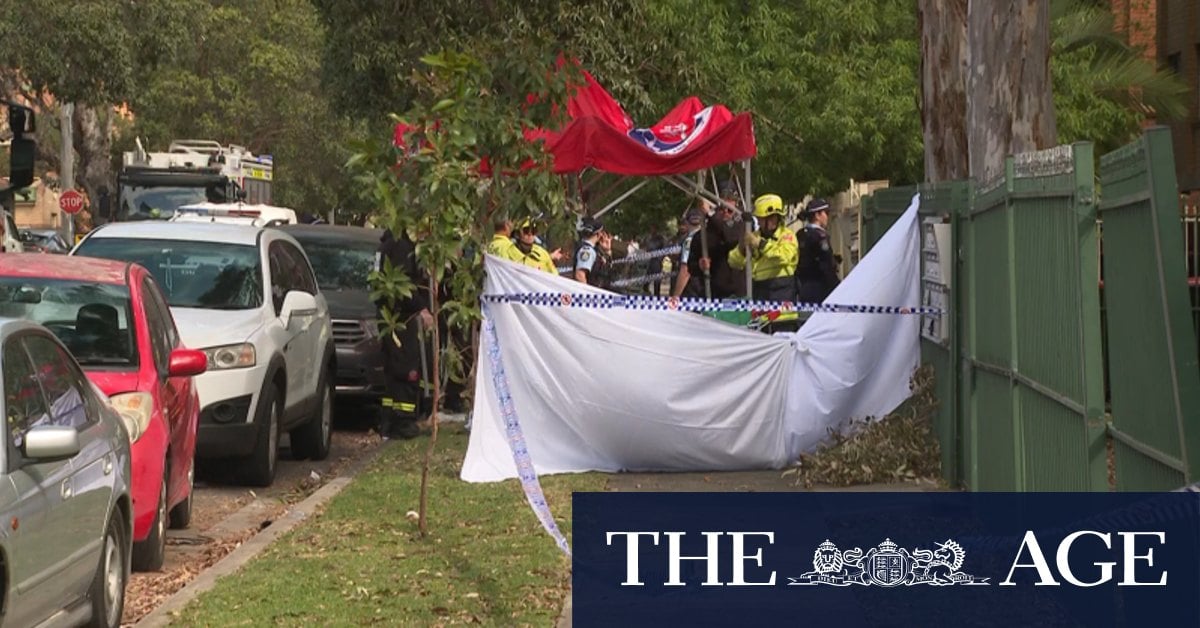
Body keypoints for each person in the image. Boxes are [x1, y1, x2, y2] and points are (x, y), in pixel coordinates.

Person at [374, 226, 434, 440]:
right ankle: (403, 422)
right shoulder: (401, 245)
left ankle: (389, 420)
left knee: (392, 369)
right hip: (400, 317)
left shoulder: (387, 242)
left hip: (390, 315)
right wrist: (421, 308)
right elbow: (403, 286)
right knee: (405, 367)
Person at [728, 193, 798, 303]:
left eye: (762, 218)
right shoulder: (755, 236)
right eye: (759, 218)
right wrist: (742, 248)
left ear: (776, 217)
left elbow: (784, 257)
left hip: (781, 293)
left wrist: (761, 244)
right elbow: (734, 262)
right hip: (760, 293)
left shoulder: (787, 236)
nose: (759, 222)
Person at [690, 181, 747, 299]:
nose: (725, 213)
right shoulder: (702, 235)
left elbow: (730, 237)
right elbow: (691, 265)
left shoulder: (741, 227)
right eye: (721, 210)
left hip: (739, 294)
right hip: (712, 294)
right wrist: (700, 265)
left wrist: (710, 214)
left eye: (730, 210)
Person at [795, 197, 841, 303]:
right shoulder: (820, 236)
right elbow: (826, 265)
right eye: (826, 213)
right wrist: (837, 286)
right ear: (817, 215)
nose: (827, 217)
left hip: (802, 287)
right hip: (820, 287)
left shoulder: (800, 234)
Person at [671, 208, 705, 297]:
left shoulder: (689, 241)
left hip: (693, 290)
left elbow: (685, 271)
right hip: (708, 288)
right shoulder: (709, 239)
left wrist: (675, 297)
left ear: (687, 222)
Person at [574, 217, 613, 288]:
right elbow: (580, 275)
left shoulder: (595, 250)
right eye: (602, 233)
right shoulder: (588, 251)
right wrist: (588, 295)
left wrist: (607, 250)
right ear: (598, 234)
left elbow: (606, 270)